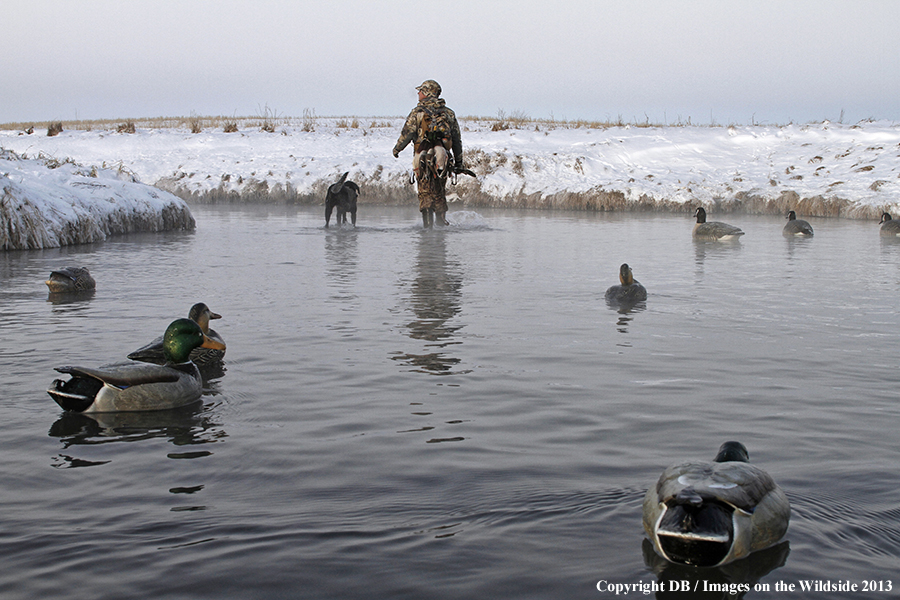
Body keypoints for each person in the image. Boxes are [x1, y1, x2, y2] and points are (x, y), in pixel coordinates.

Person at [392, 80, 464, 228]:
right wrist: (459, 162)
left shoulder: (417, 112)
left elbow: (407, 133)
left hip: (423, 159)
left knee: (425, 193)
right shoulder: (448, 113)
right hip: (442, 160)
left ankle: (428, 234)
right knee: (439, 191)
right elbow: (456, 140)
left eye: (421, 91)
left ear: (427, 92)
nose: (418, 93)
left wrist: (397, 149)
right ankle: (440, 231)